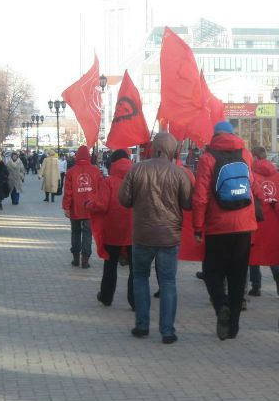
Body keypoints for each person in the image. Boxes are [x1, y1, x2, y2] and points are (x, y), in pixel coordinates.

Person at [119, 132, 192, 344]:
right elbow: (188, 203)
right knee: (168, 282)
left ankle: (142, 326)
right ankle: (167, 331)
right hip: (169, 236)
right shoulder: (179, 173)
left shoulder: (137, 169)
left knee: (140, 278)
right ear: (172, 150)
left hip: (142, 234)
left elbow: (124, 199)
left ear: (154, 147)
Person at [193, 121, 261, 340]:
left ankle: (221, 304)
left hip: (217, 225)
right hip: (244, 225)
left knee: (212, 271)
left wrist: (197, 225)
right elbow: (252, 183)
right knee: (238, 276)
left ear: (215, 135)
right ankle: (232, 327)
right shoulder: (245, 154)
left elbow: (201, 196)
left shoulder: (207, 158)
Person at [87, 153, 134, 309]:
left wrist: (88, 205)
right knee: (136, 269)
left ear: (113, 163)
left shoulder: (109, 182)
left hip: (113, 230)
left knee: (110, 265)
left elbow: (101, 205)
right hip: (134, 231)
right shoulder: (137, 179)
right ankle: (135, 301)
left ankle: (106, 296)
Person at [248, 145, 279, 297]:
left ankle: (256, 286)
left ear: (254, 157)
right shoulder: (278, 176)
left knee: (253, 253)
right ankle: (277, 273)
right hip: (274, 220)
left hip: (256, 219)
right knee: (270, 250)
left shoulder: (251, 175)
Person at [63, 145, 102, 269]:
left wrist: (66, 207)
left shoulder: (71, 172)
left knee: (75, 232)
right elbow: (101, 190)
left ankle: (75, 258)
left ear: (77, 156)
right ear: (88, 157)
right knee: (87, 234)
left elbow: (68, 192)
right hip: (90, 209)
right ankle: (85, 260)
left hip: (75, 209)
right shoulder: (96, 171)